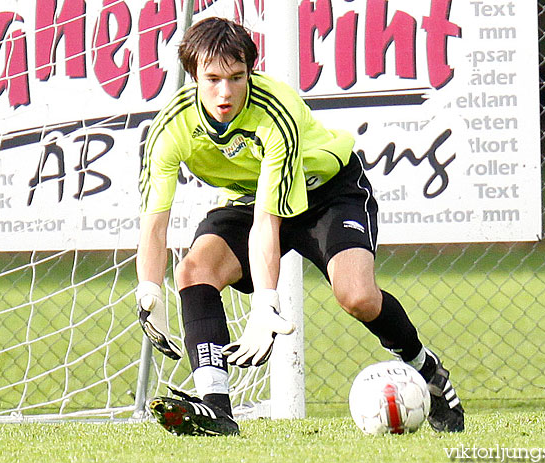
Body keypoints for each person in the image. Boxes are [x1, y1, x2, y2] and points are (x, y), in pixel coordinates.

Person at [135, 16, 464, 436]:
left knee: (358, 296)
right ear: (193, 74)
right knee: (193, 271)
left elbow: (268, 223)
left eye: (237, 78)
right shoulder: (171, 127)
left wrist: (265, 305)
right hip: (249, 197)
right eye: (213, 78)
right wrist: (149, 289)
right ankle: (216, 407)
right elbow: (154, 224)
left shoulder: (276, 111)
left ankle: (427, 368)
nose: (225, 92)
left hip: (326, 192)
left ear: (251, 71)